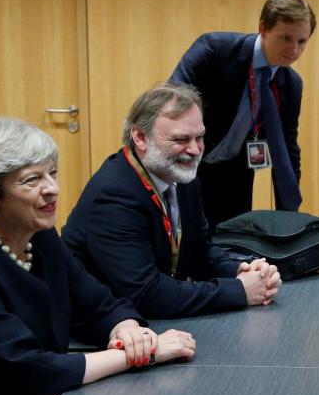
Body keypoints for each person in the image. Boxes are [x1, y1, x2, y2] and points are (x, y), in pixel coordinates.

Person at [0, 117, 196, 395]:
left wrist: (127, 328)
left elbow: (96, 303)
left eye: (52, 173)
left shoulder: (38, 235)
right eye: (32, 180)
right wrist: (140, 355)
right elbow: (26, 368)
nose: (52, 189)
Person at [63, 85, 280, 319]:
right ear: (140, 137)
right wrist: (239, 291)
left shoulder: (180, 174)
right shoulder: (113, 196)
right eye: (181, 139)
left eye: (200, 137)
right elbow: (147, 295)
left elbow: (200, 251)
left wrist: (240, 270)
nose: (195, 150)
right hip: (103, 328)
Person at [168, 0, 316, 231]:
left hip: (235, 176)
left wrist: (289, 216)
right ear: (264, 29)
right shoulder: (214, 49)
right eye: (286, 38)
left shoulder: (291, 84)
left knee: (230, 246)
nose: (294, 49)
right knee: (188, 243)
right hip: (190, 165)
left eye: (302, 41)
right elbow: (170, 101)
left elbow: (288, 149)